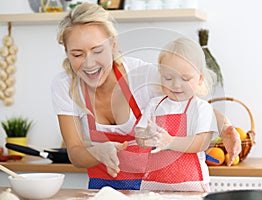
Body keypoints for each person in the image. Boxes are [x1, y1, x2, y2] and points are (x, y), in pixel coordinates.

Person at [51, 2, 241, 190]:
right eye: (77, 55)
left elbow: (193, 105)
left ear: (113, 45)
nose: (89, 63)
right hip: (101, 189)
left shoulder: (142, 75)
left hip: (148, 188)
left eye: (97, 51)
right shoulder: (65, 85)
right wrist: (97, 152)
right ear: (67, 53)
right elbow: (75, 153)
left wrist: (225, 127)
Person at [135, 37, 218, 192]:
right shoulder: (155, 104)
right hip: (154, 186)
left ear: (200, 79)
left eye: (185, 78)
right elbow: (139, 135)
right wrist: (145, 136)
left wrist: (170, 142)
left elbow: (201, 143)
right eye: (168, 78)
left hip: (192, 187)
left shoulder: (201, 108)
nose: (176, 84)